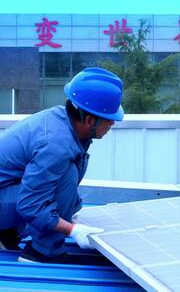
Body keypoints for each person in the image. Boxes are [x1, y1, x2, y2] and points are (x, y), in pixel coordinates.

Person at [0, 67, 124, 264]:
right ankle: (41, 253)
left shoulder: (64, 123)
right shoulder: (56, 144)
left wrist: (68, 213)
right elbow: (30, 204)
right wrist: (72, 230)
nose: (112, 124)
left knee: (63, 174)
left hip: (5, 192)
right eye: (110, 119)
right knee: (65, 175)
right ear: (89, 120)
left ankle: (7, 232)